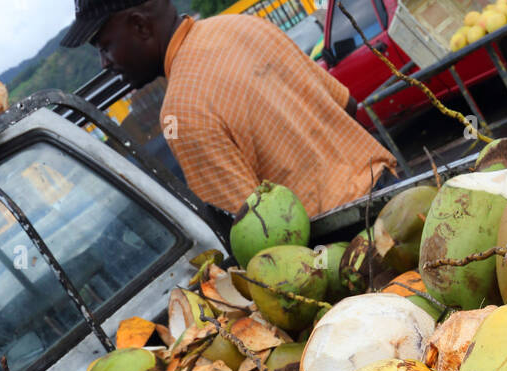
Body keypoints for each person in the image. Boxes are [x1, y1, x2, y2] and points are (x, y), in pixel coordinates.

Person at [62, 0, 397, 217]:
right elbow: (347, 104)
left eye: (105, 46)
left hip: (347, 243)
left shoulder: (180, 112)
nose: (104, 62)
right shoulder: (244, 26)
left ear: (140, 26)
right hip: (396, 193)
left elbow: (258, 227)